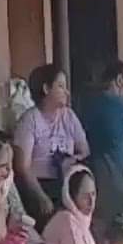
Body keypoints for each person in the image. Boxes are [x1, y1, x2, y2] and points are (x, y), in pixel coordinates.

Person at [12, 63, 89, 223]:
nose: (66, 92)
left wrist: (71, 160)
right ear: (46, 89)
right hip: (40, 185)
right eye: (60, 86)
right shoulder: (30, 120)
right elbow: (22, 167)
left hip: (67, 182)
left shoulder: (69, 116)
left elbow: (84, 150)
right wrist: (41, 196)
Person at [80, 60, 123, 238]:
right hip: (117, 184)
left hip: (88, 182)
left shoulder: (86, 105)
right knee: (120, 237)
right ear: (119, 80)